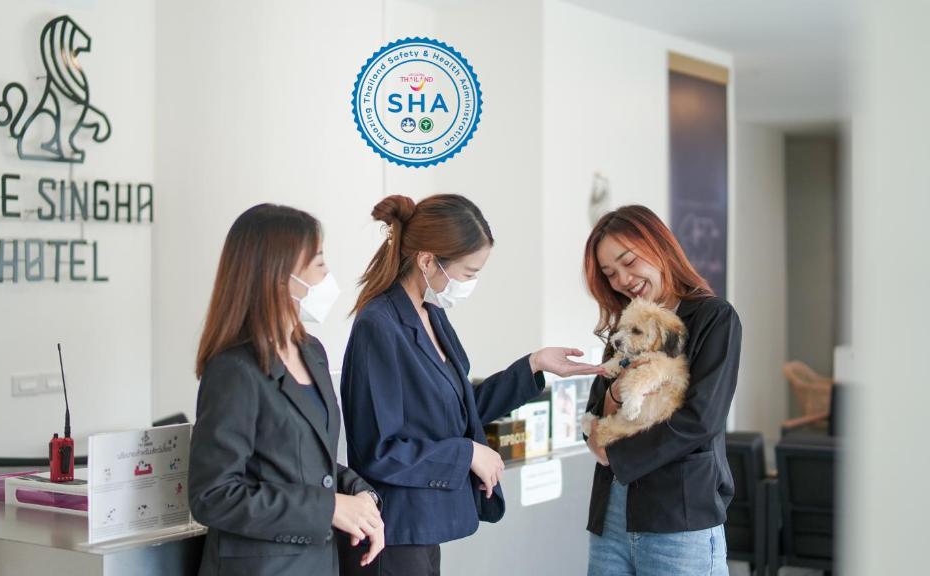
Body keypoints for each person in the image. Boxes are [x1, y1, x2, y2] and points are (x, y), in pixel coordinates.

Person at [339, 194, 604, 576]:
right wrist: (467, 454)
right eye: (468, 273)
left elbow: (459, 409)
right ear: (428, 260)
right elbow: (379, 451)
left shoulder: (432, 315)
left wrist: (533, 365)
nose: (471, 284)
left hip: (425, 529)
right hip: (394, 532)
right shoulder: (378, 325)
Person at [189, 204, 385, 576]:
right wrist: (328, 507)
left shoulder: (311, 351)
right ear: (280, 277)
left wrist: (360, 495)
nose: (329, 275)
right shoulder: (234, 370)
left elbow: (311, 463)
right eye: (319, 263)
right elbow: (213, 495)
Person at [582, 205, 741, 576]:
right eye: (610, 273)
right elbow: (596, 409)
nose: (622, 279)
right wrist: (618, 394)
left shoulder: (713, 317)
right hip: (612, 519)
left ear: (658, 247)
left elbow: (701, 419)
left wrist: (614, 455)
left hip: (679, 517)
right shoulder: (624, 326)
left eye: (628, 261)